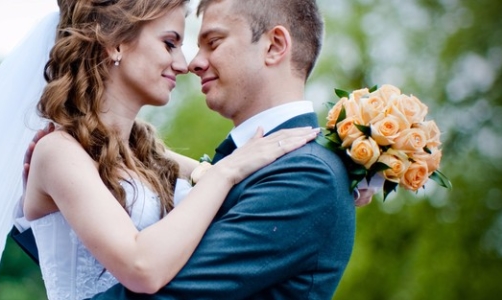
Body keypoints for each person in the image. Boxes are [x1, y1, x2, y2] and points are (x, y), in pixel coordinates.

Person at [17, 0, 320, 299]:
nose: (183, 63)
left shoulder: (146, 156)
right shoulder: (58, 152)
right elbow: (142, 269)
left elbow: (250, 188)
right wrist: (226, 171)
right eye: (169, 43)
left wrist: (352, 173)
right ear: (116, 43)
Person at [87, 0, 357, 298]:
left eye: (213, 43)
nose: (192, 63)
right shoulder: (241, 162)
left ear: (275, 46)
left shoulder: (307, 176)